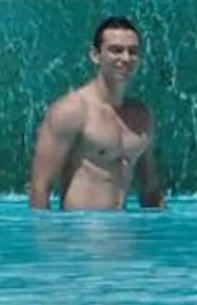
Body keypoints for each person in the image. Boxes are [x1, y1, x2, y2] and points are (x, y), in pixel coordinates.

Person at [29, 16, 166, 209]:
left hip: (124, 233)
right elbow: (39, 187)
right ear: (95, 55)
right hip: (81, 232)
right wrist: (49, 237)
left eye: (133, 52)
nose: (125, 58)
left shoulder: (142, 116)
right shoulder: (72, 111)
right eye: (116, 50)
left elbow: (151, 190)